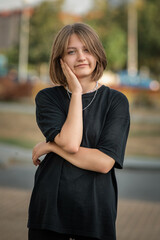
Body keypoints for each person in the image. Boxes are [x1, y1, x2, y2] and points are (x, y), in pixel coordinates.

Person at [28, 22, 130, 240]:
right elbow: (71, 142)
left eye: (87, 49)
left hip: (95, 211)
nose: (81, 57)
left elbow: (104, 163)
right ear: (61, 60)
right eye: (71, 52)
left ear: (97, 54)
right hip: (50, 211)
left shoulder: (116, 101)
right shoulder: (47, 98)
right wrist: (75, 91)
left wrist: (50, 146)